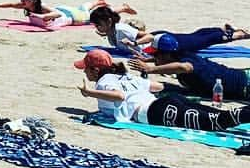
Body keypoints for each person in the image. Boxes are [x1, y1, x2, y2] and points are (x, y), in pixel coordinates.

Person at [75, 49, 250, 131]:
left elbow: (119, 96)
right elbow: (157, 86)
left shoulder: (103, 82)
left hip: (154, 112)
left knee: (219, 121)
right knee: (222, 117)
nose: (84, 71)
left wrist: (89, 92)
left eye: (86, 68)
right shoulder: (123, 75)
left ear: (95, 70)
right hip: (166, 102)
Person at [89, 6, 249, 57]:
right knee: (195, 36)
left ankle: (238, 34)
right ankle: (222, 29)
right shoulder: (111, 31)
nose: (97, 28)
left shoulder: (121, 30)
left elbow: (148, 36)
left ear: (109, 21)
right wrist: (104, 33)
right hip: (160, 44)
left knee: (201, 41)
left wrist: (134, 43)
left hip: (162, 41)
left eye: (99, 25)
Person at [128, 48, 250, 101]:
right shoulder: (182, 55)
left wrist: (150, 70)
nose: (153, 58)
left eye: (155, 55)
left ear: (167, 55)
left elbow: (183, 67)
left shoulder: (186, 65)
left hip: (246, 86)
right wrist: (147, 60)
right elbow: (169, 61)